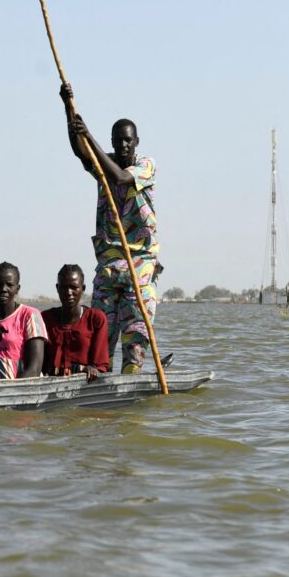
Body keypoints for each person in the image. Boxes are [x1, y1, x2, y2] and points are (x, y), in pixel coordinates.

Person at [61, 82, 162, 374]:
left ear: (136, 141)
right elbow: (81, 153)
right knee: (100, 330)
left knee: (136, 331)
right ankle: (98, 377)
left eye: (128, 141)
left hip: (139, 260)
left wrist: (88, 135)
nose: (123, 146)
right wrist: (68, 108)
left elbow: (119, 178)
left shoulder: (146, 165)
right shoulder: (105, 164)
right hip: (109, 261)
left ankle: (132, 373)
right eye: (118, 141)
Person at [0, 262, 46, 379]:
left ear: (17, 289)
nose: (3, 289)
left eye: (9, 285)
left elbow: (34, 369)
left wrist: (13, 387)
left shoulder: (30, 315)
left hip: (20, 387)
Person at [41, 264, 109, 381]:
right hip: (50, 382)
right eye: (64, 287)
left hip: (84, 384)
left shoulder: (95, 318)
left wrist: (90, 369)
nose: (68, 292)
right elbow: (39, 363)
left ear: (83, 288)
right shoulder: (45, 318)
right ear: (57, 288)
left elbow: (100, 365)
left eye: (74, 287)